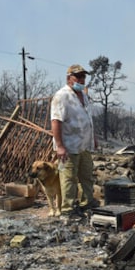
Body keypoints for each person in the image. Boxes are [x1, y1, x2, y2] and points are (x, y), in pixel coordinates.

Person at [51, 64, 97, 219]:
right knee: (68, 178)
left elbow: (88, 118)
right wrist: (60, 146)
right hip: (68, 146)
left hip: (84, 144)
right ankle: (68, 210)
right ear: (69, 78)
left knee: (87, 176)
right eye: (78, 76)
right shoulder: (61, 96)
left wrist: (93, 138)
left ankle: (86, 204)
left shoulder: (83, 95)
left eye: (83, 76)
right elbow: (56, 121)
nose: (81, 79)